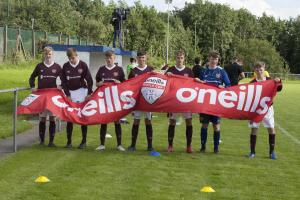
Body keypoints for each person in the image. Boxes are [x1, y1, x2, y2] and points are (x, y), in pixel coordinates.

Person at [195, 51, 231, 153]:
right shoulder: (204, 71)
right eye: (212, 58)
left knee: (216, 126)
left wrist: (223, 87)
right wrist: (198, 81)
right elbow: (197, 84)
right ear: (209, 59)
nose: (214, 61)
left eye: (216, 59)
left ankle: (216, 148)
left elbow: (228, 85)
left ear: (218, 60)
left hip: (216, 104)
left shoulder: (222, 72)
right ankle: (203, 147)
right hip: (205, 104)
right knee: (204, 125)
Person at [248, 61, 282, 159]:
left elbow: (279, 88)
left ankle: (272, 152)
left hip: (267, 108)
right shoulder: (252, 83)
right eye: (257, 69)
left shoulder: (270, 80)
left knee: (271, 128)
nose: (259, 71)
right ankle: (252, 152)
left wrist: (279, 81)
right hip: (255, 109)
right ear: (254, 70)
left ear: (264, 69)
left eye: (261, 69)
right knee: (254, 129)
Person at [61, 48, 93, 149]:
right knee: (69, 118)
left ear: (76, 55)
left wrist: (88, 93)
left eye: (73, 58)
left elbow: (89, 80)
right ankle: (69, 142)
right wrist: (67, 94)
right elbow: (63, 82)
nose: (71, 60)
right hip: (71, 94)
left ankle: (83, 141)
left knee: (82, 117)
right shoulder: (65, 66)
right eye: (69, 58)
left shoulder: (83, 65)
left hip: (82, 92)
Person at [29, 46, 62, 147]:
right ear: (44, 54)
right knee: (42, 118)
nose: (48, 56)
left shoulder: (57, 67)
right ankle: (42, 141)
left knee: (52, 118)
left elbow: (64, 79)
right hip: (42, 97)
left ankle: (51, 142)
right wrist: (32, 86)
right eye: (46, 54)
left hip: (52, 97)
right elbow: (32, 77)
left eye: (50, 54)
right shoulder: (39, 66)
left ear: (52, 55)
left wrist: (61, 86)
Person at [95, 50, 126, 151]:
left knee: (117, 121)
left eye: (110, 58)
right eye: (107, 58)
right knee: (104, 121)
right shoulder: (101, 69)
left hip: (115, 99)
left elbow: (125, 84)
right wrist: (99, 84)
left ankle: (119, 145)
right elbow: (97, 83)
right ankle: (102, 144)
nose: (109, 60)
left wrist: (119, 82)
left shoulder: (119, 69)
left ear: (114, 58)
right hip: (104, 99)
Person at [165, 50, 194, 153]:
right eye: (178, 57)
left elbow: (194, 85)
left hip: (186, 102)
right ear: (175, 58)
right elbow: (164, 83)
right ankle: (170, 145)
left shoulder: (189, 71)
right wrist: (166, 75)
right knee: (172, 122)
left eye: (181, 58)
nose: (180, 60)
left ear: (184, 58)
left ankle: (189, 146)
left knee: (189, 122)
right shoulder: (171, 70)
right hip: (174, 101)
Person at [127, 50, 155, 151]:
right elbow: (128, 85)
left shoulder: (151, 70)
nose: (141, 59)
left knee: (148, 121)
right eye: (140, 57)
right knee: (136, 121)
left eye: (143, 57)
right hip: (137, 100)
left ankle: (150, 146)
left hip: (148, 99)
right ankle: (133, 145)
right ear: (137, 58)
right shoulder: (133, 71)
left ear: (146, 58)